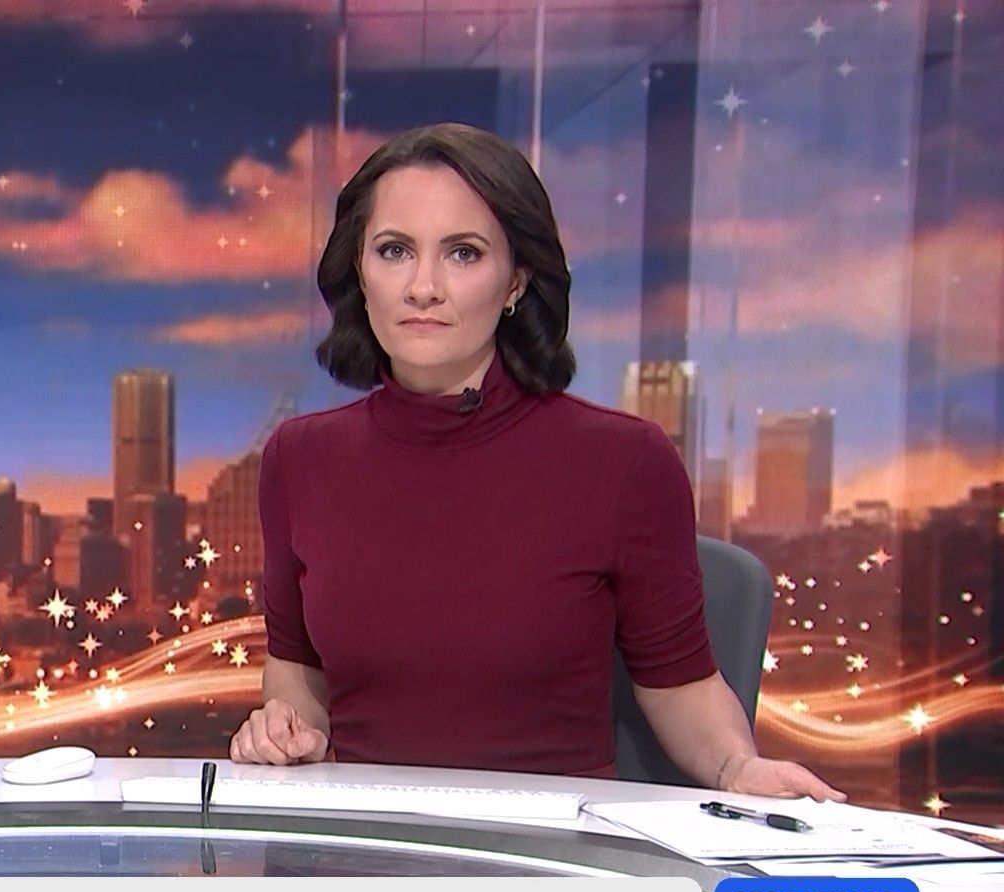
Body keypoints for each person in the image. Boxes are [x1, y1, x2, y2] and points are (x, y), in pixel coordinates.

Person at [230, 122, 839, 800]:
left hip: (555, 845)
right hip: (367, 841)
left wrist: (737, 770)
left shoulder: (623, 460)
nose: (423, 287)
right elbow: (298, 670)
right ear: (358, 271)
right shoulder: (300, 459)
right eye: (395, 250)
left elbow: (680, 686)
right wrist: (288, 730)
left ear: (516, 281)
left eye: (463, 254)